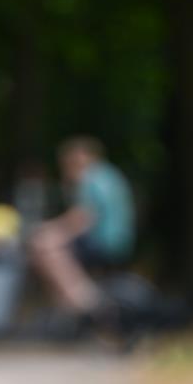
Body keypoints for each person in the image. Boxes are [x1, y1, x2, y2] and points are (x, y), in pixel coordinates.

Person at [28, 135, 136, 330]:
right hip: (116, 242)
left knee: (46, 247)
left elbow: (85, 217)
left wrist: (52, 231)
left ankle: (87, 303)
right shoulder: (108, 175)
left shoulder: (92, 177)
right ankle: (72, 307)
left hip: (103, 242)